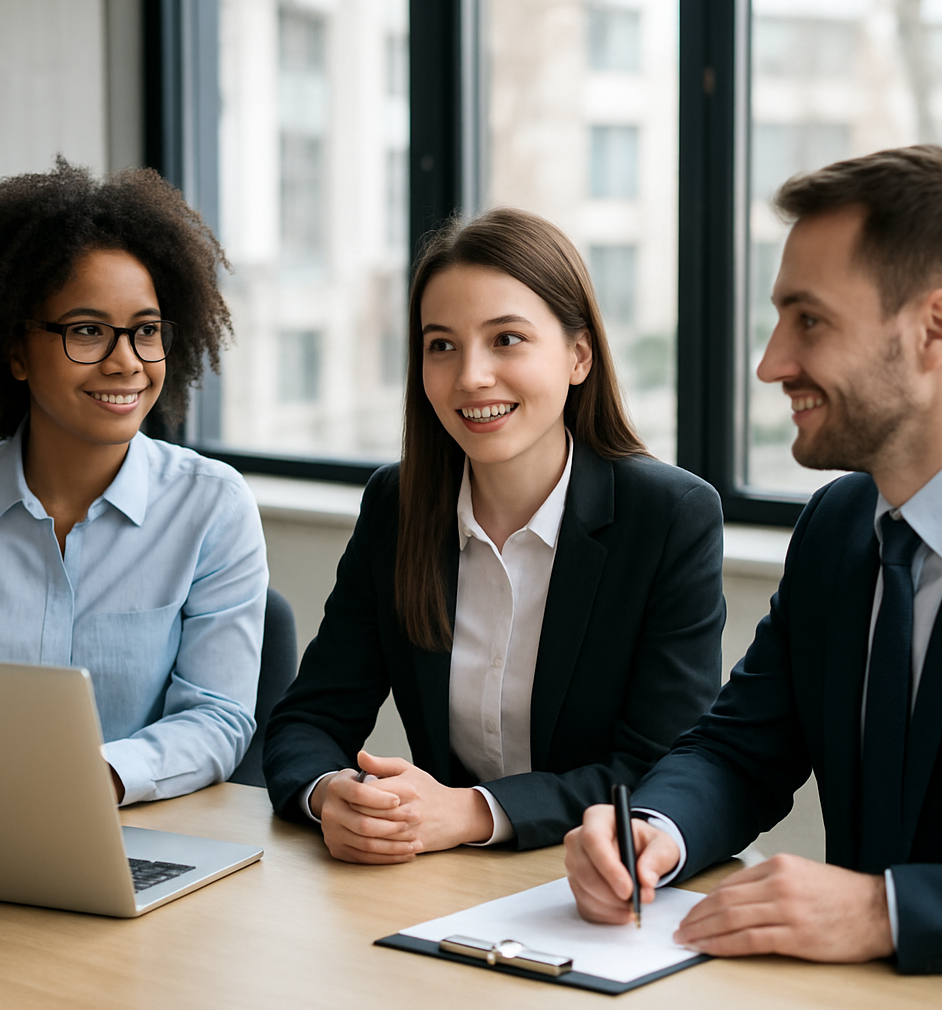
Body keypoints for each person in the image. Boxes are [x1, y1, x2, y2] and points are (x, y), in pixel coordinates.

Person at [564, 145, 942, 976]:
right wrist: (652, 834)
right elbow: (740, 750)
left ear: (935, 329)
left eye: (809, 320)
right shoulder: (840, 527)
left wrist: (889, 911)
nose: (771, 362)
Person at [263, 208, 725, 861]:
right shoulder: (398, 507)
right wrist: (330, 792)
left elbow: (662, 763)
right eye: (441, 345)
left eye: (506, 339)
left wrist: (476, 811)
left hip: (591, 879)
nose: (471, 376)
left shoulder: (670, 517)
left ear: (578, 356)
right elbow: (309, 719)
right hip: (437, 884)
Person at [0, 159, 268, 805]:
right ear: (14, 351)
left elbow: (218, 720)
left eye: (145, 332)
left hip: (141, 832)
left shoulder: (210, 507)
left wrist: (87, 781)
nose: (126, 362)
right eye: (87, 331)